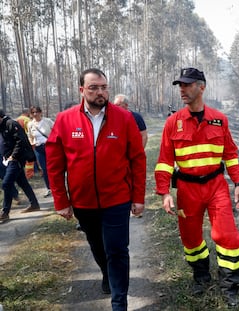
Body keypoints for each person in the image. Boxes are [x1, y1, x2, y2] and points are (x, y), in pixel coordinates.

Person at [46, 68, 146, 311]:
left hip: (117, 199)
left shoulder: (124, 118)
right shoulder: (65, 119)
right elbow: (54, 163)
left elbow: (137, 159)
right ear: (82, 90)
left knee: (117, 249)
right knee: (97, 246)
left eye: (103, 87)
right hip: (83, 202)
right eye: (94, 87)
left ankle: (119, 303)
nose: (100, 92)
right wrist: (61, 200)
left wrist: (138, 197)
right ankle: (105, 272)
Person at [154, 67, 239, 307]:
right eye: (180, 85)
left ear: (201, 87)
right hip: (187, 189)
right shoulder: (173, 123)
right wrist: (164, 192)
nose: (182, 89)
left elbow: (230, 153)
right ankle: (201, 277)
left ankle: (230, 287)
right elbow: (164, 161)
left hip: (216, 187)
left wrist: (238, 182)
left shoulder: (219, 119)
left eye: (187, 84)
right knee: (191, 239)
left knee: (227, 236)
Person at [0, 110, 41, 222]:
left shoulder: (11, 124)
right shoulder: (2, 126)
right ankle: (34, 204)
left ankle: (5, 212)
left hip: (16, 159)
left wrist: (13, 156)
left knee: (7, 183)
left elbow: (21, 141)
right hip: (7, 160)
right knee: (23, 182)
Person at [28, 106, 54, 197]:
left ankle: (57, 187)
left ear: (40, 112)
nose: (35, 114)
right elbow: (30, 135)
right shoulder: (30, 124)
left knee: (53, 168)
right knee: (44, 169)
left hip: (50, 146)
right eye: (33, 112)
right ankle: (49, 188)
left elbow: (56, 130)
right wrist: (32, 143)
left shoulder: (47, 121)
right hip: (38, 148)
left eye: (37, 112)